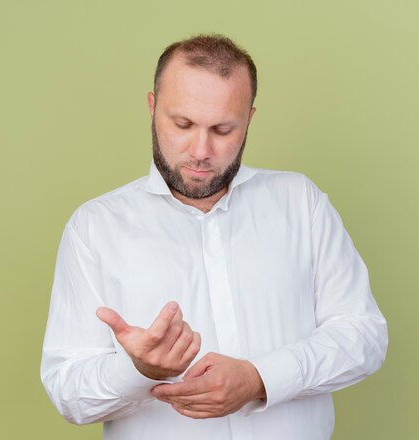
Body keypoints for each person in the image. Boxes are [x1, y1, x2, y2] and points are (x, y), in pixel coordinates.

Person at [41, 34, 388, 440]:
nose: (201, 150)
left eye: (223, 129)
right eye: (182, 124)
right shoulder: (94, 228)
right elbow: (68, 392)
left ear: (249, 119)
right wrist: (137, 370)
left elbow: (363, 335)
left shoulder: (300, 202)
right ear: (152, 108)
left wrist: (258, 379)